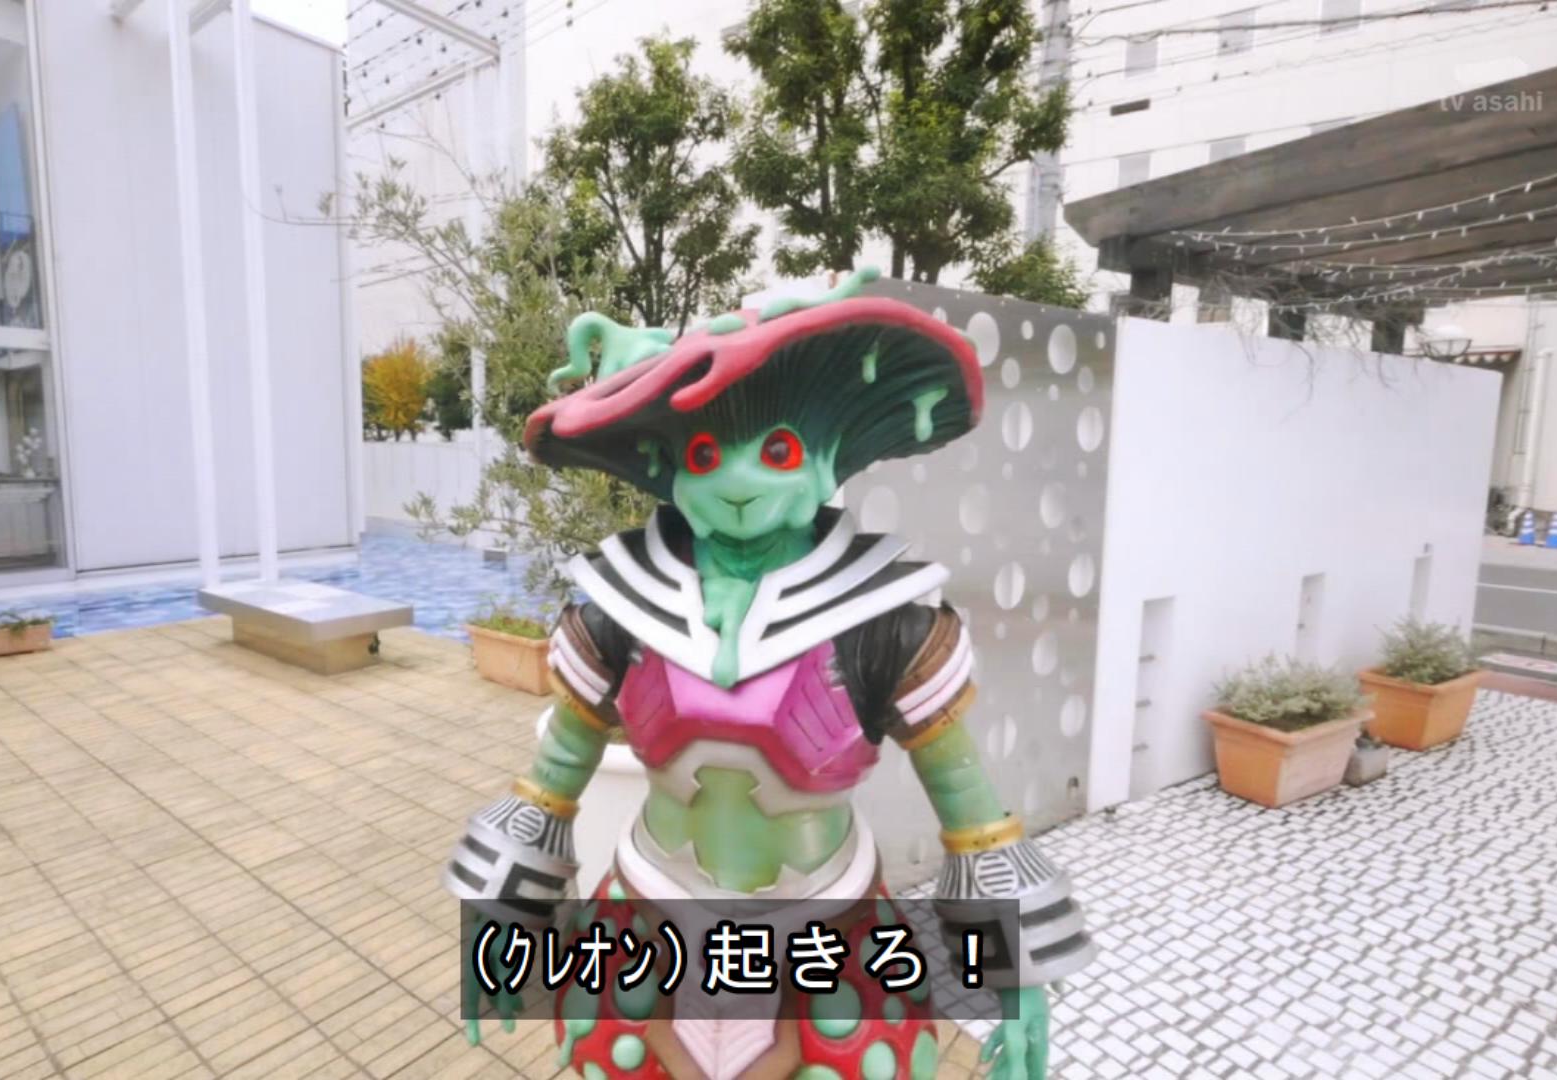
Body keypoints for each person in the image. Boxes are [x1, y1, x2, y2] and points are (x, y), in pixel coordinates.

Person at [444, 268, 1095, 1080]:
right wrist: (503, 926)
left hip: (830, 934)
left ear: (825, 464)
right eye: (707, 452)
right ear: (676, 469)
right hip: (644, 920)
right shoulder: (619, 607)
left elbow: (972, 816)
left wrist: (1012, 975)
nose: (738, 482)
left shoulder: (888, 621)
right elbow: (551, 783)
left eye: (776, 450)